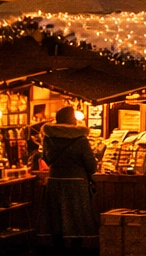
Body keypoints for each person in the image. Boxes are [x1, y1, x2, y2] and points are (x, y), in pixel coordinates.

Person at [42, 105, 98, 247]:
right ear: (71, 120)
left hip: (54, 181)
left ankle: (58, 250)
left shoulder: (48, 137)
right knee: (77, 220)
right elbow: (91, 165)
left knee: (56, 219)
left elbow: (46, 159)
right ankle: (75, 251)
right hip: (76, 183)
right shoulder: (81, 139)